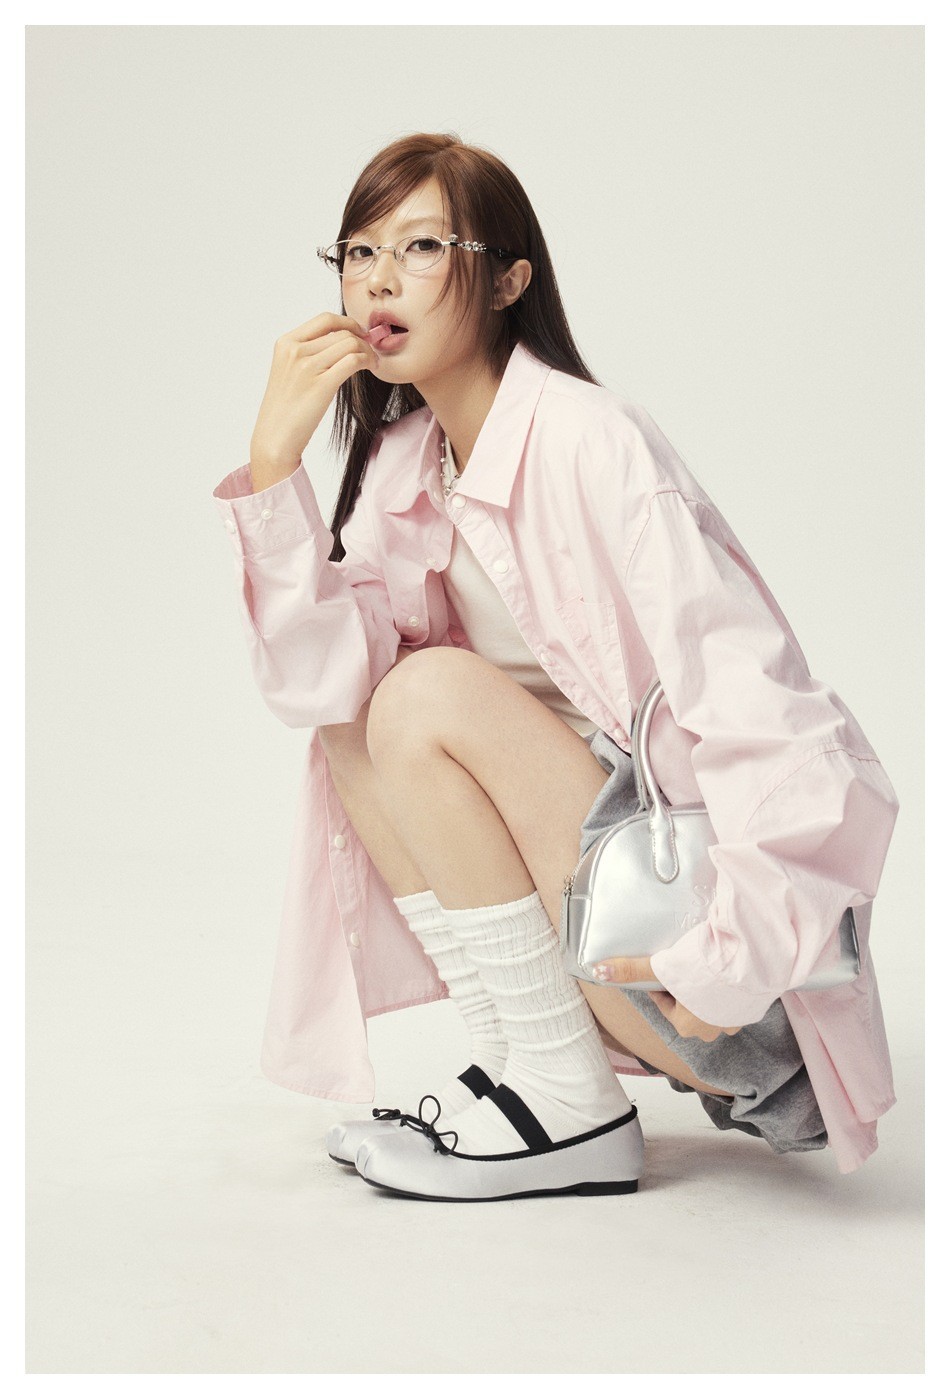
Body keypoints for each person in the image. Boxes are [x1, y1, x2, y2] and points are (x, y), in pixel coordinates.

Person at [212, 132, 899, 1202]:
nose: (378, 279)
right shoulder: (403, 468)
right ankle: (529, 1068)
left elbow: (786, 730)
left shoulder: (595, 442)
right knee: (354, 714)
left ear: (508, 280)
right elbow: (317, 686)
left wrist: (732, 957)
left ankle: (569, 1106)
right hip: (600, 938)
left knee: (423, 694)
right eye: (358, 252)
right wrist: (273, 467)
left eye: (421, 246)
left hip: (709, 979)